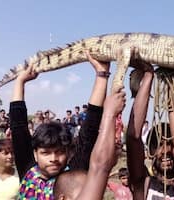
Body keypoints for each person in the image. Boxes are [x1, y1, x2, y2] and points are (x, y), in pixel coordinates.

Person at [10, 51, 111, 199]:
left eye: (59, 152)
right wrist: (20, 82)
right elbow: (18, 127)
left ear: (68, 153)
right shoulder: (28, 171)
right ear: (35, 154)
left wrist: (101, 76)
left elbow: (90, 128)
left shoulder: (74, 174)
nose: (54, 158)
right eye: (45, 152)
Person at [126, 66, 174, 199]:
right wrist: (149, 75)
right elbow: (133, 137)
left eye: (170, 144)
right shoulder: (143, 184)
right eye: (159, 145)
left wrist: (173, 86)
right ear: (150, 151)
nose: (165, 150)